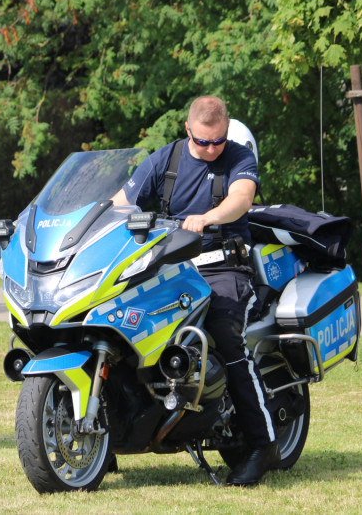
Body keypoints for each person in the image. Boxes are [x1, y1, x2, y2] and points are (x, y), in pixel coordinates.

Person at [113, 95, 277, 487]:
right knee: (122, 327)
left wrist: (207, 218)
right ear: (188, 129)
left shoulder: (238, 158)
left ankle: (261, 445)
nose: (210, 149)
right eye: (203, 141)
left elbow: (241, 199)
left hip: (224, 265)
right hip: (170, 266)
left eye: (217, 141)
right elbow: (120, 204)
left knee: (224, 335)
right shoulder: (164, 160)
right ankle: (112, 434)